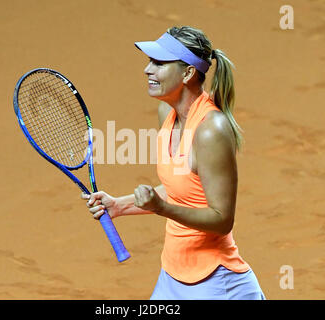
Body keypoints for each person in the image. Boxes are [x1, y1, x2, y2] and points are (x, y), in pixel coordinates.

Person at [81, 26, 266, 300]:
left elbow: (221, 219)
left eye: (159, 63)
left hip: (216, 283)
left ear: (188, 73)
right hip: (173, 276)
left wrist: (162, 208)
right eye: (149, 61)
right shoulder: (166, 113)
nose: (147, 69)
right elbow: (184, 189)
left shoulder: (211, 129)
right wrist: (121, 205)